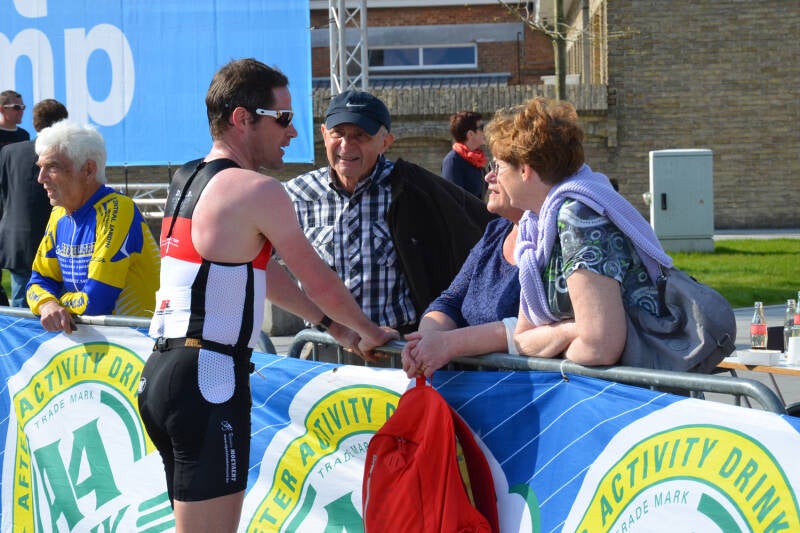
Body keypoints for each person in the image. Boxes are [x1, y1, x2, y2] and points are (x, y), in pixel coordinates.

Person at [137, 59, 396, 532]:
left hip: (162, 373)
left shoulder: (188, 178)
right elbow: (316, 277)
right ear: (242, 118)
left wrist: (333, 327)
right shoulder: (258, 189)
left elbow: (261, 272)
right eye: (283, 118)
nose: (293, 132)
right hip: (208, 377)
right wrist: (369, 331)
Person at [285, 90, 495, 333]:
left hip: (396, 350)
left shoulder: (412, 190)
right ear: (323, 134)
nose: (346, 145)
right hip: (327, 347)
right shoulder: (297, 195)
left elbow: (484, 233)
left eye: (360, 136)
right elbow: (258, 260)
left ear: (385, 142)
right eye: (338, 134)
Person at [486, 97, 673, 365]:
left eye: (499, 166)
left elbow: (599, 346)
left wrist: (554, 343)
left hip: (635, 395)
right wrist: (572, 330)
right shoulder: (535, 226)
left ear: (525, 170)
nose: (491, 176)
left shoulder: (579, 217)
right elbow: (522, 338)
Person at [26, 120, 160, 332]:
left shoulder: (118, 209)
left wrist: (56, 300)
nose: (41, 178)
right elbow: (38, 281)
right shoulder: (59, 214)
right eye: (40, 168)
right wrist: (46, 304)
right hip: (101, 344)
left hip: (138, 344)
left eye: (52, 167)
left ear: (88, 170)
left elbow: (96, 301)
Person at [401, 162, 524, 377]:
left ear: (529, 173)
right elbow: (451, 300)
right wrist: (425, 342)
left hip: (527, 396)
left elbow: (533, 328)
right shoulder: (496, 231)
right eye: (490, 166)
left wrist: (450, 344)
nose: (488, 177)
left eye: (499, 167)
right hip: (475, 390)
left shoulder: (556, 241)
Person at [0, 99, 68, 307]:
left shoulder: (10, 152)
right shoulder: (65, 155)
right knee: (57, 304)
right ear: (62, 123)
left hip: (18, 240)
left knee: (21, 310)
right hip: (54, 240)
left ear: (35, 122)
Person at [441, 110, 487, 199]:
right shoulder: (452, 161)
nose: (485, 131)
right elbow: (453, 200)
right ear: (470, 134)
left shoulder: (477, 160)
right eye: (482, 128)